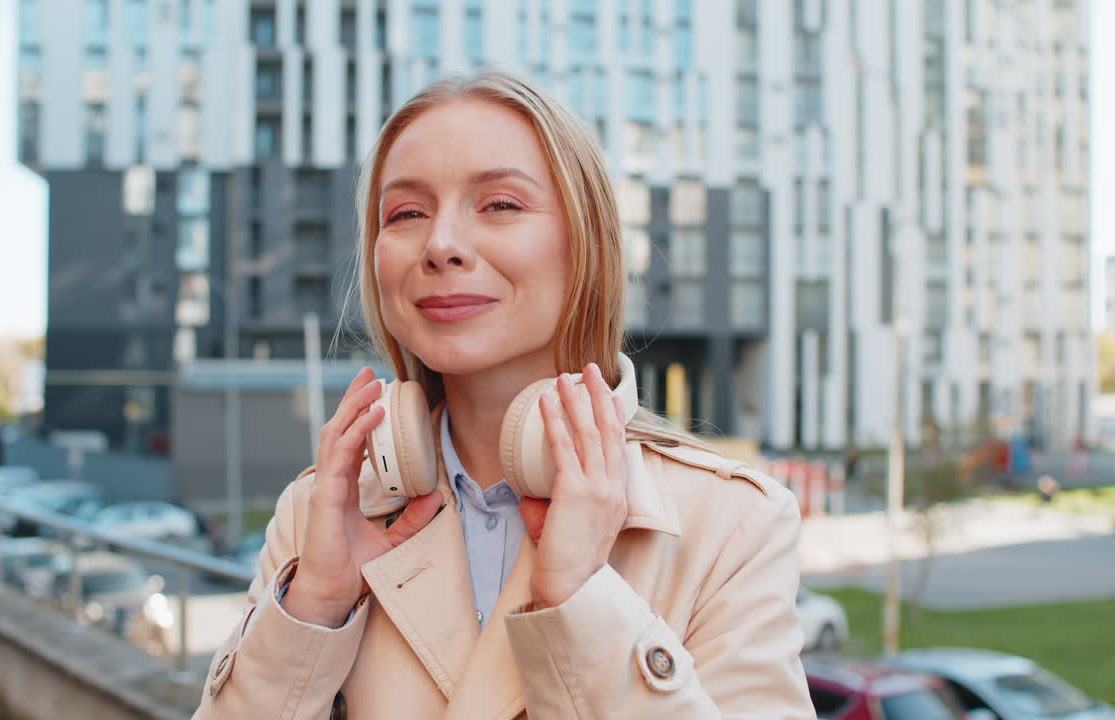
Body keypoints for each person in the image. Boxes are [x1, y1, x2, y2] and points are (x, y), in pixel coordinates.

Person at [193, 71, 813, 719]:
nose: (441, 245)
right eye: (407, 214)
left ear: (586, 245)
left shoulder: (730, 525)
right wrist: (312, 609)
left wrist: (581, 603)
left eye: (500, 205)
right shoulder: (319, 513)